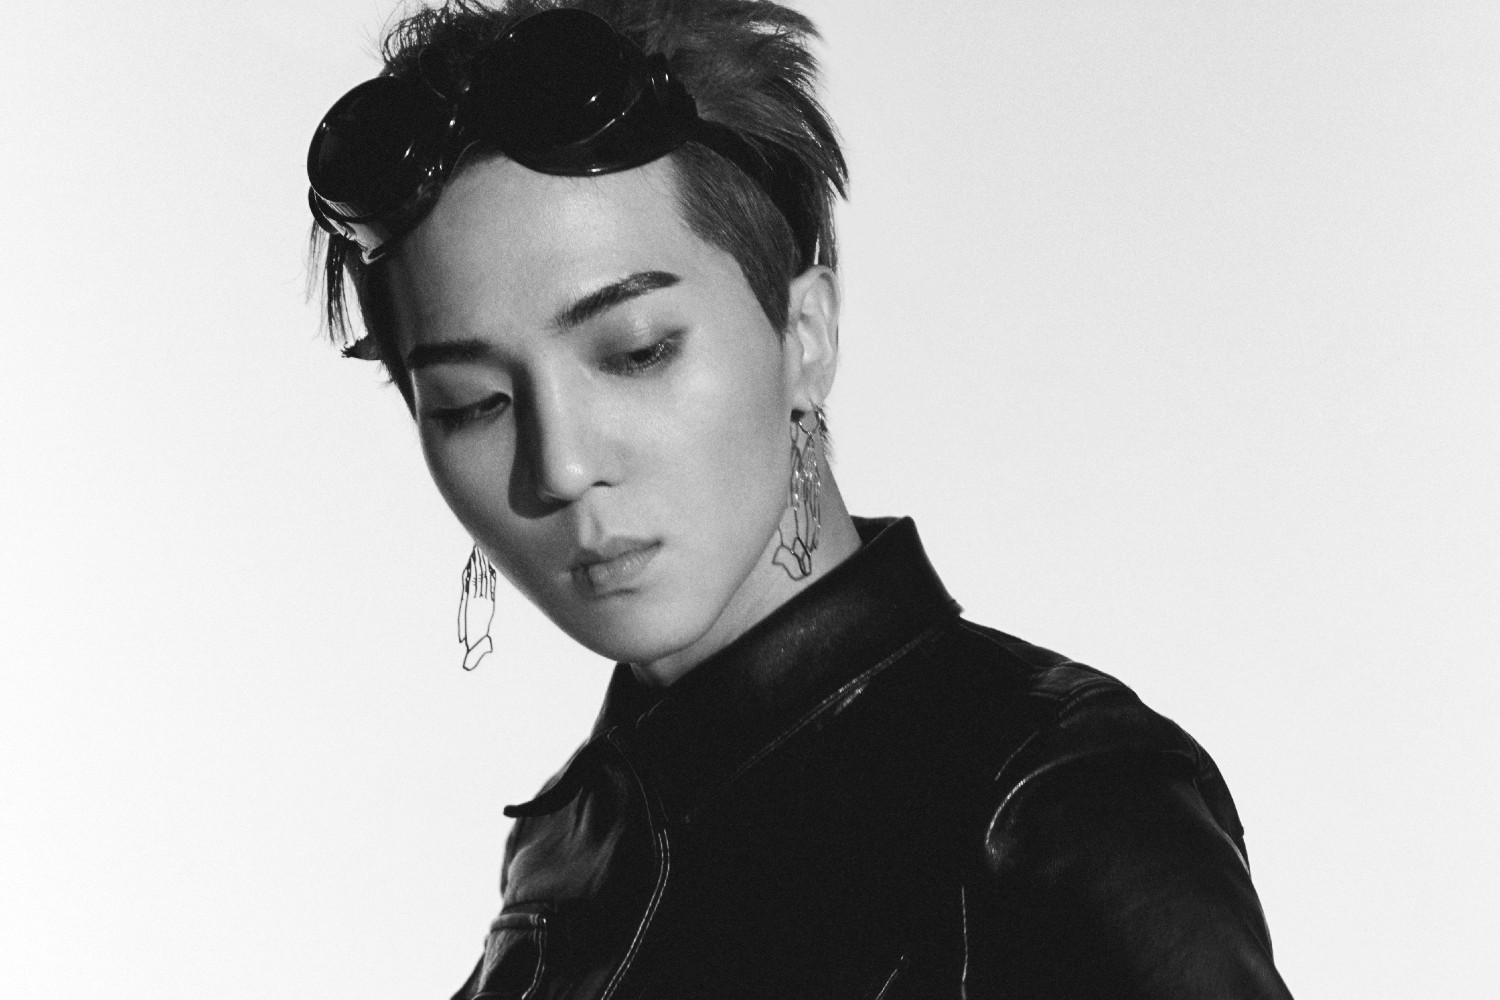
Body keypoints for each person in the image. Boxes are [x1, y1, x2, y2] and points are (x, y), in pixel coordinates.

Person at [305, 1, 1294, 996]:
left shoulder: (1052, 800)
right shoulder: (568, 851)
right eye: (474, 403)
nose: (559, 465)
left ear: (805, 335)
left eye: (637, 351)